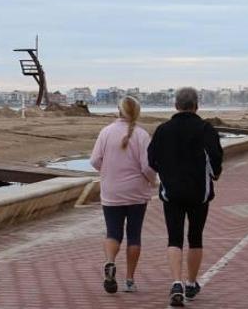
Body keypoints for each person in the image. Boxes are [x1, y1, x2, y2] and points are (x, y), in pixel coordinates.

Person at [148, 87, 223, 307]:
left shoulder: (163, 129)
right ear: (196, 105)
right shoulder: (205, 128)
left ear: (175, 105)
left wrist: (166, 172)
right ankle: (191, 283)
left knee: (174, 238)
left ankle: (176, 282)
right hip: (200, 193)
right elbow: (216, 156)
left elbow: (151, 159)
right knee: (195, 237)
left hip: (171, 193)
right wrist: (215, 174)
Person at [90, 96, 156, 294]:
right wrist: (151, 180)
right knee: (134, 235)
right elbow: (148, 166)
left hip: (111, 191)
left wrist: (108, 171)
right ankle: (129, 280)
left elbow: (94, 160)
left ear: (118, 111)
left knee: (113, 232)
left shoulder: (106, 132)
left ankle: (110, 262)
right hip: (136, 192)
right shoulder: (143, 135)